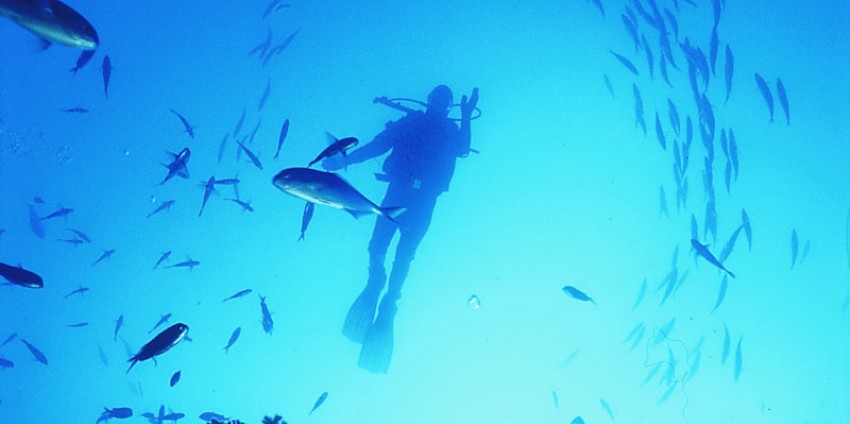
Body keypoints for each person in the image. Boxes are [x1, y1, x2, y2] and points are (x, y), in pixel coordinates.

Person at [323, 85, 479, 373]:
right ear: (432, 100)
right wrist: (345, 160)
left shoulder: (446, 130)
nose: (438, 104)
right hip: (402, 192)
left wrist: (467, 116)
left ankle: (390, 298)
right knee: (379, 248)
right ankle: (379, 285)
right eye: (436, 99)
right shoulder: (411, 123)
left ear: (446, 105)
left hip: (420, 199)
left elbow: (462, 150)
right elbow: (377, 145)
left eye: (443, 101)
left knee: (403, 254)